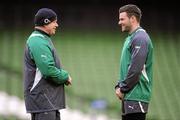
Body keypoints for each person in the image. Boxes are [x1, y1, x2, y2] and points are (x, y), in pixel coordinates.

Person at [23, 8, 72, 120]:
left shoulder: (42, 39)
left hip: (47, 102)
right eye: (54, 21)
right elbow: (48, 71)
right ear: (46, 22)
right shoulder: (38, 41)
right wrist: (65, 76)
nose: (57, 25)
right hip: (43, 102)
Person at [115, 4, 153, 120]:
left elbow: (136, 69)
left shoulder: (140, 38)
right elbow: (127, 66)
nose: (119, 22)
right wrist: (119, 85)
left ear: (132, 19)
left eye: (122, 19)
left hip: (136, 97)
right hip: (130, 96)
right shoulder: (131, 38)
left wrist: (122, 88)